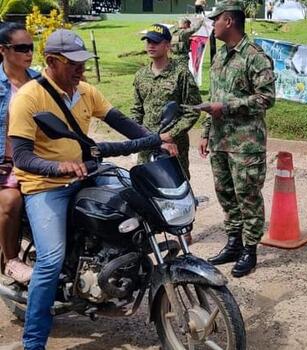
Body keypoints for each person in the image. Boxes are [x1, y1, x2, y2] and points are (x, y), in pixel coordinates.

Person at [8, 29, 176, 350]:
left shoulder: (85, 91)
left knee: (135, 204)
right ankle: (33, 343)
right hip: (47, 186)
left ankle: (115, 273)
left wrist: (157, 139)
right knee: (51, 260)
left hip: (88, 173)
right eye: (73, 64)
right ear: (53, 61)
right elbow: (21, 156)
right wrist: (58, 167)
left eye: (83, 63)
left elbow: (124, 123)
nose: (81, 70)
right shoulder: (29, 98)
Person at [198, 0, 276, 278]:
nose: (213, 24)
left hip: (246, 144)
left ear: (228, 21)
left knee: (248, 196)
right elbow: (214, 100)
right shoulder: (219, 57)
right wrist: (206, 132)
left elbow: (267, 99)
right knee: (226, 194)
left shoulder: (255, 56)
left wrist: (228, 107)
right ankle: (234, 242)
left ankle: (250, 250)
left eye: (215, 19)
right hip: (220, 141)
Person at [132, 24, 202, 178]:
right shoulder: (141, 75)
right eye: (148, 41)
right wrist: (136, 134)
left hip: (173, 146)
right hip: (146, 144)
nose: (151, 45)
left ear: (168, 46)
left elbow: (193, 109)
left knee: (176, 187)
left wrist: (172, 134)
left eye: (156, 42)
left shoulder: (180, 73)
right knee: (146, 187)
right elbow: (137, 110)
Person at [0, 23, 38, 284]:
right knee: (11, 202)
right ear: (3, 50)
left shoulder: (39, 82)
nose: (29, 53)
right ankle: (11, 260)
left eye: (31, 48)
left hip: (36, 161)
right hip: (5, 164)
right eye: (22, 48)